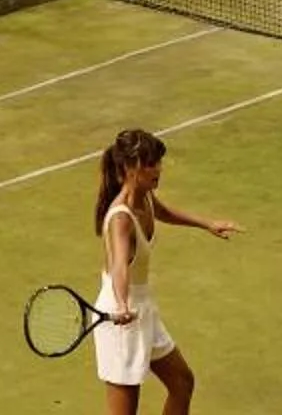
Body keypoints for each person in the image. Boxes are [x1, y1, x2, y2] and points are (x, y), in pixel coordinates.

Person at [92, 127, 239, 415]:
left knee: (182, 382)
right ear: (131, 167)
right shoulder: (120, 217)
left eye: (158, 162)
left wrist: (207, 223)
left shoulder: (144, 196)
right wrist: (122, 305)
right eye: (150, 163)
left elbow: (164, 213)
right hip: (121, 317)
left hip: (143, 309)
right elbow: (120, 264)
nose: (158, 169)